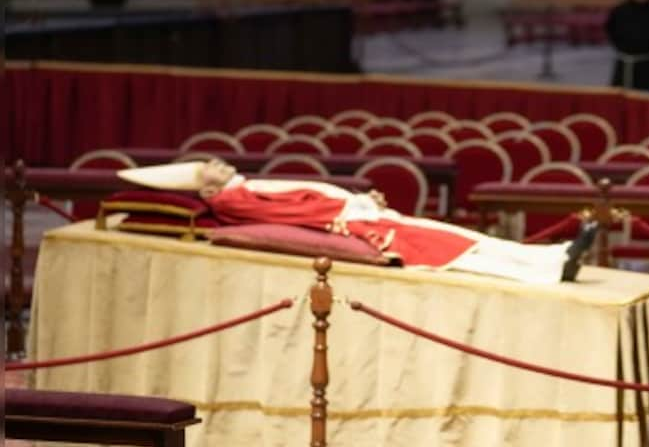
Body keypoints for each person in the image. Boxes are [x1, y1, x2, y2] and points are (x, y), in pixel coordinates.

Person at [117, 160, 598, 285]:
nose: (218, 164)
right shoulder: (236, 199)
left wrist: (357, 199)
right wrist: (356, 209)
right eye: (209, 170)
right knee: (455, 251)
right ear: (205, 190)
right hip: (358, 226)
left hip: (358, 213)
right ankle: (548, 267)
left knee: (461, 237)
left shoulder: (238, 187)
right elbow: (297, 212)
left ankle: (552, 258)